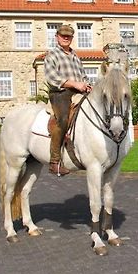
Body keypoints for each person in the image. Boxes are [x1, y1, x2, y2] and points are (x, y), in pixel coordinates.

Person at [44, 24, 92, 175]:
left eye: (68, 36)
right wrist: (75, 84)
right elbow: (52, 78)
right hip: (60, 93)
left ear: (72, 38)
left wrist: (87, 85)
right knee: (63, 119)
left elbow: (83, 76)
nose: (65, 38)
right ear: (57, 37)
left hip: (78, 92)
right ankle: (55, 162)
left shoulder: (75, 56)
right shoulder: (52, 55)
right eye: (62, 35)